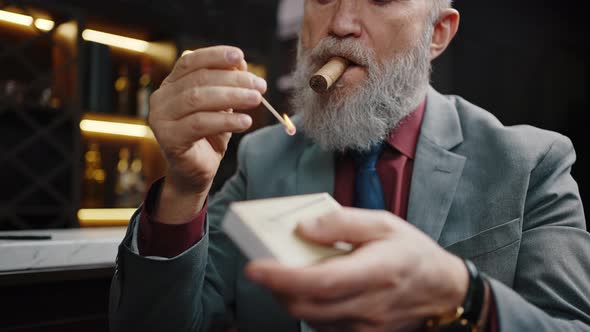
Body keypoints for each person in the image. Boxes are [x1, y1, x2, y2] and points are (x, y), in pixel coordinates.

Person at [109, 0, 590, 331]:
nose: (339, 24)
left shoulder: (532, 164)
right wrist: (183, 190)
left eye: (379, 0)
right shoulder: (263, 157)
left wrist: (465, 298)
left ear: (437, 33)